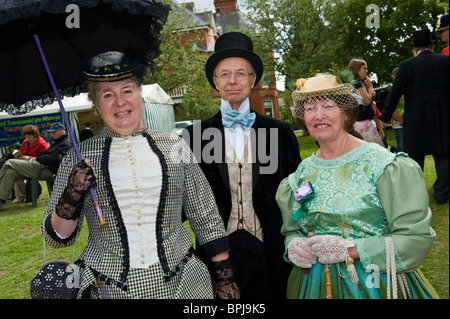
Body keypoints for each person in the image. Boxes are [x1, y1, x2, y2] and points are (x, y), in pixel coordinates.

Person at [42, 51, 238, 299]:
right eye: (108, 95)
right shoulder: (78, 157)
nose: (120, 102)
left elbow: (205, 216)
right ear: (96, 104)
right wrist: (73, 194)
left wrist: (226, 278)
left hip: (184, 284)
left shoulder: (174, 146)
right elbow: (58, 239)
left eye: (127, 90)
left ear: (139, 94)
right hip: (109, 288)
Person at [277, 72, 439, 299]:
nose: (318, 115)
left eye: (327, 106)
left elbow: (414, 238)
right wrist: (293, 244)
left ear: (346, 114)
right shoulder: (301, 174)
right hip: (313, 286)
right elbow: (294, 226)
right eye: (310, 109)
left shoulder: (382, 165)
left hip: (372, 283)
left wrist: (351, 249)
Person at [184, 32, 301, 299]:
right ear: (215, 82)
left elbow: (298, 189)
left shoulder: (279, 131)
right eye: (224, 74)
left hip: (270, 246)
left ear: (253, 80)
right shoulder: (195, 135)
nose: (233, 80)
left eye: (241, 73)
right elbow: (181, 201)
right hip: (215, 251)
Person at [380, 29, 449, 205]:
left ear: (415, 48)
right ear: (432, 45)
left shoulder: (406, 65)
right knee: (443, 156)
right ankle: (442, 193)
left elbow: (394, 94)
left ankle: (417, 194)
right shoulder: (445, 61)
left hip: (416, 120)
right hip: (442, 117)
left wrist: (384, 117)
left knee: (416, 158)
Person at [0, 122, 72, 211]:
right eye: (51, 132)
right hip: (40, 167)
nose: (51, 134)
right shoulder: (57, 143)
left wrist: (37, 158)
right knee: (10, 172)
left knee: (9, 162)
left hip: (47, 170)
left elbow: (55, 159)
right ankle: (1, 201)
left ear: (61, 132)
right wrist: (34, 158)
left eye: (53, 132)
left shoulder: (66, 144)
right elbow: (45, 155)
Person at [348, 58, 384, 147]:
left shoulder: (352, 83)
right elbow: (367, 101)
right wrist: (370, 87)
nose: (366, 71)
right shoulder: (357, 84)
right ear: (357, 70)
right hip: (364, 122)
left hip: (359, 121)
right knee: (377, 149)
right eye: (364, 68)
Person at [11, 125, 49, 203]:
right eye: (26, 137)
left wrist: (29, 157)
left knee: (17, 168)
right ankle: (20, 195)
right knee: (14, 170)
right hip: (25, 163)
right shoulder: (25, 142)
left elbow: (43, 158)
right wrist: (19, 156)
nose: (28, 139)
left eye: (29, 137)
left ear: (35, 135)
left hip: (37, 166)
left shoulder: (42, 144)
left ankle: (24, 195)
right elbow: (22, 153)